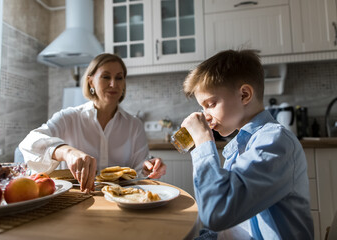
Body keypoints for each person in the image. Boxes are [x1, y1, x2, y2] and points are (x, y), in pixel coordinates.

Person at [181, 50, 313, 239]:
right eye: (202, 107)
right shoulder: (240, 145)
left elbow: (216, 214)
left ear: (244, 95)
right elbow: (228, 230)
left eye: (210, 104)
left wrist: (203, 141)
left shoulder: (275, 142)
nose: (206, 115)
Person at [19, 53, 166, 192]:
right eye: (106, 77)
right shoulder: (69, 117)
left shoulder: (134, 125)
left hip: (121, 202)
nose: (113, 84)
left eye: (119, 78)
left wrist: (149, 168)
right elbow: (29, 143)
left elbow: (139, 171)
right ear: (91, 81)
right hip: (73, 201)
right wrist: (67, 152)